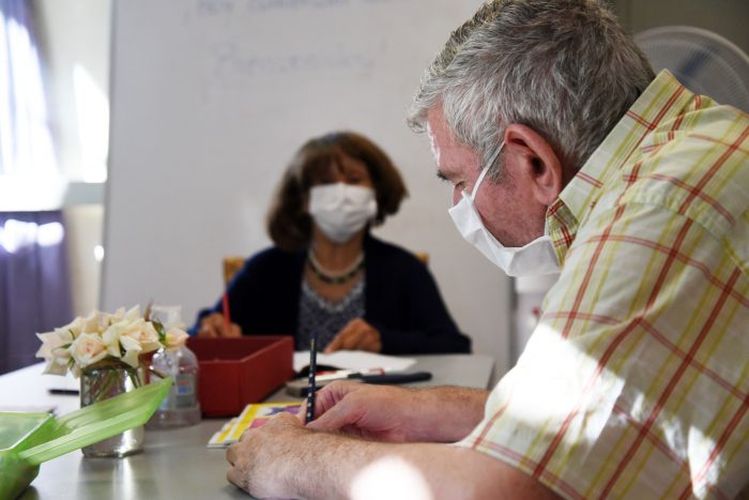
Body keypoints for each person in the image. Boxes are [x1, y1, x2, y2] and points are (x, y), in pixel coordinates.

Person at [225, 1, 749, 498]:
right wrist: (422, 412)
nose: (459, 203)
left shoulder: (657, 212)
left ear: (533, 163)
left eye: (458, 180)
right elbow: (580, 417)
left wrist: (287, 458)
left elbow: (503, 487)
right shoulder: (693, 150)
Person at [193, 131, 471, 355]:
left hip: (378, 412)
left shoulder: (404, 270)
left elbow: (454, 346)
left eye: (354, 180)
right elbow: (199, 336)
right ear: (303, 199)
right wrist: (211, 330)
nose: (341, 192)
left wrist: (385, 341)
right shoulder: (265, 270)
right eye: (326, 182)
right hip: (280, 413)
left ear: (376, 194)